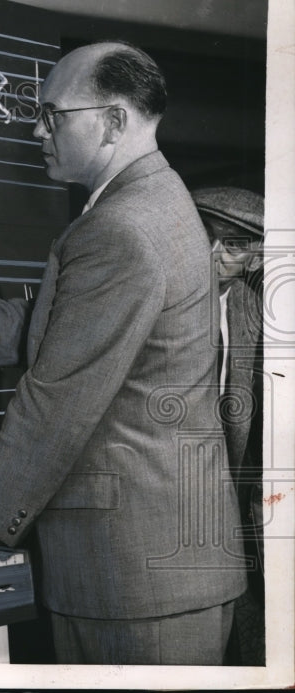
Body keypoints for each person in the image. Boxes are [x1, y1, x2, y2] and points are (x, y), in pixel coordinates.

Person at [0, 41, 247, 665]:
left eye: (53, 115)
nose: (36, 128)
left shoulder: (120, 227)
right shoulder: (157, 199)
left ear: (113, 121)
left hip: (135, 576)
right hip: (160, 565)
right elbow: (67, 338)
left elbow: (59, 393)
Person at [192, 186, 265, 666]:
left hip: (231, 506)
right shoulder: (146, 294)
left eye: (235, 244)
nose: (215, 254)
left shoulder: (251, 306)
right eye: (205, 236)